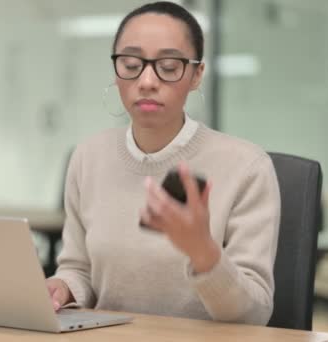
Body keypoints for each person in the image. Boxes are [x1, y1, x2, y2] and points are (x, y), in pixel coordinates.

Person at [45, 1, 281, 326]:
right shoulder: (87, 158)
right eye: (130, 64)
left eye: (168, 67)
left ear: (197, 74)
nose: (147, 81)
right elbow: (78, 270)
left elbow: (254, 314)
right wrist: (61, 289)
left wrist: (204, 253)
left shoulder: (248, 167)